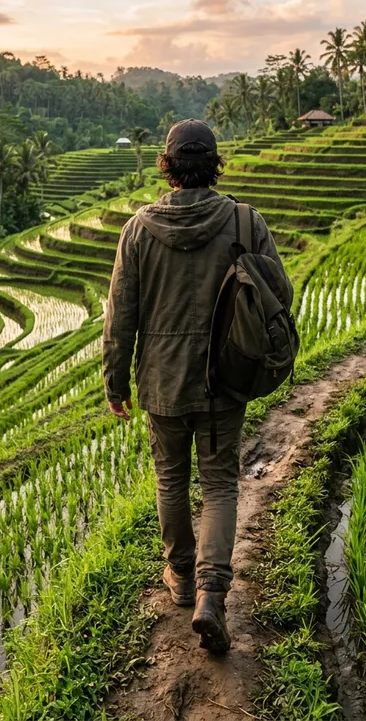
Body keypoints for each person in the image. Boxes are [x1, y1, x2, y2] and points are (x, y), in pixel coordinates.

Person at [102, 119, 291, 653]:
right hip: (224, 378)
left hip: (161, 381)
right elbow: (281, 294)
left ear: (167, 165)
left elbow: (120, 316)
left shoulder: (138, 229)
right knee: (220, 483)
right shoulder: (245, 221)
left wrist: (116, 382)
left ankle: (182, 577)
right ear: (213, 164)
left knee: (170, 480)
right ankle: (212, 593)